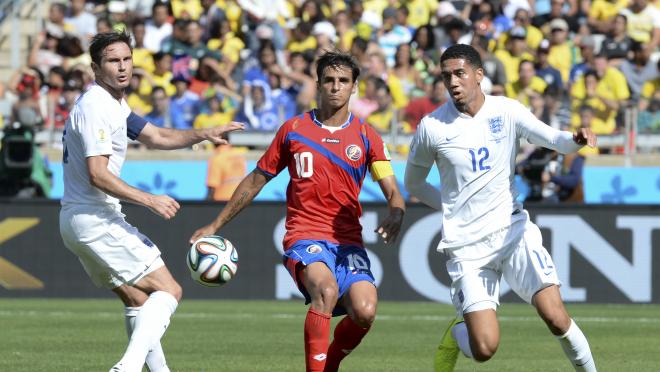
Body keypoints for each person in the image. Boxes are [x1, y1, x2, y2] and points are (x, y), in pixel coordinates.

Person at [190, 50, 406, 372]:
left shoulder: (366, 135)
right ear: (318, 84)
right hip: (304, 235)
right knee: (326, 290)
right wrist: (215, 224)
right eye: (329, 80)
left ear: (354, 87)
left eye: (343, 81)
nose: (336, 87)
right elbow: (255, 181)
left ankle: (328, 366)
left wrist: (397, 211)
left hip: (348, 242)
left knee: (365, 311)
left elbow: (391, 188)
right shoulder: (293, 130)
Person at [403, 44, 597, 372]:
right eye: (446, 75)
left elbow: (553, 139)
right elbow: (414, 183)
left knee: (555, 316)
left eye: (460, 73)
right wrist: (450, 210)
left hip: (513, 230)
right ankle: (458, 332)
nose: (453, 81)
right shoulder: (432, 127)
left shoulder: (506, 110)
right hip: (467, 246)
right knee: (484, 348)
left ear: (479, 75)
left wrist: (575, 139)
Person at [58, 31, 243, 372]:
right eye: (113, 61)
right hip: (95, 217)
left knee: (137, 299)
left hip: (77, 219)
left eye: (127, 59)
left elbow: (156, 135)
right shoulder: (96, 106)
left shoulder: (113, 103)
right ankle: (126, 368)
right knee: (170, 291)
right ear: (97, 68)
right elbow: (98, 174)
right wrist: (150, 200)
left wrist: (201, 134)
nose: (123, 67)